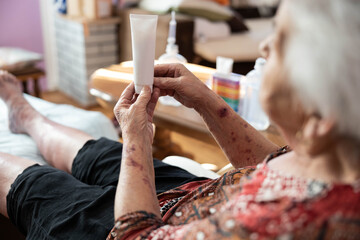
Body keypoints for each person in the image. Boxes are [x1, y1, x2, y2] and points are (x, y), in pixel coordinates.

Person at [0, 0, 359, 239]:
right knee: (101, 154)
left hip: (138, 230)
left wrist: (138, 137)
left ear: (320, 116)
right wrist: (206, 100)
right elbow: (269, 163)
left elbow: (133, 236)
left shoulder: (280, 222)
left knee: (38, 186)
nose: (264, 48)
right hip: (195, 194)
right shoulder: (334, 154)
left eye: (280, 41)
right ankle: (24, 112)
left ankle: (23, 116)